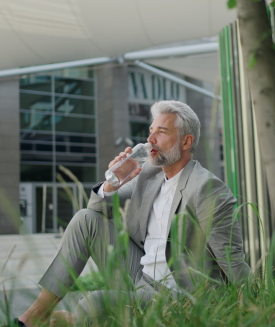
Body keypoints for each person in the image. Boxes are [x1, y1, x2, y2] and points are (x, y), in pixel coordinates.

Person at [16, 100, 250, 326]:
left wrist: (255, 307)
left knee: (92, 305)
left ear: (186, 141)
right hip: (139, 275)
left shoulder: (207, 188)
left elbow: (231, 257)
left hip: (178, 297)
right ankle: (36, 315)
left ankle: (74, 321)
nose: (150, 140)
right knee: (85, 220)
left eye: (161, 132)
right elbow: (96, 211)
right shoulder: (150, 173)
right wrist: (112, 184)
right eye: (150, 131)